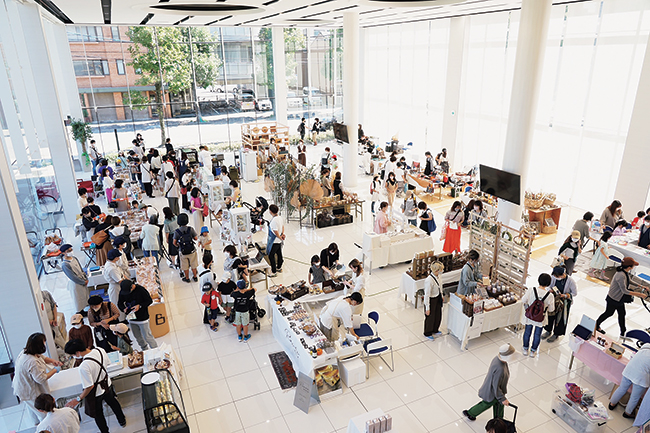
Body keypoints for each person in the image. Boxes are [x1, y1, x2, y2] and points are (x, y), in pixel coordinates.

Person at [64, 339, 126, 433]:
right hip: (107, 384)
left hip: (97, 393)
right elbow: (108, 363)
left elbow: (89, 386)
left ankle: (105, 431)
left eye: (72, 355)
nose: (73, 357)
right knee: (113, 402)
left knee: (98, 414)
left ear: (77, 353)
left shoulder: (84, 366)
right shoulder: (100, 350)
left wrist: (78, 399)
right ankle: (122, 420)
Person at [12, 333, 62, 425]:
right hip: (27, 390)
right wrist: (55, 370)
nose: (45, 343)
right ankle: (45, 427)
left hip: (23, 387)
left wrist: (52, 361)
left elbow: (41, 357)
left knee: (32, 409)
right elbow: (41, 378)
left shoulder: (26, 351)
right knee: (42, 413)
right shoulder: (31, 361)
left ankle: (36, 424)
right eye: (44, 342)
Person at [596, 257, 648, 337]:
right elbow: (625, 291)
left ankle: (623, 332)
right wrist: (640, 294)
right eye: (633, 265)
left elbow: (629, 280)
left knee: (621, 314)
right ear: (629, 267)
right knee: (609, 313)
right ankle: (596, 325)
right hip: (614, 299)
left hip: (618, 299)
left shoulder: (624, 272)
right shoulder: (621, 275)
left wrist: (642, 286)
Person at [463, 344, 514, 421]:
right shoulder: (500, 369)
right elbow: (495, 386)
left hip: (494, 391)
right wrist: (502, 398)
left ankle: (499, 420)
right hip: (493, 393)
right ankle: (471, 413)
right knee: (486, 404)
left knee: (499, 405)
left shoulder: (498, 359)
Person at [608, 342, 650, 418]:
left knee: (622, 388)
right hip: (641, 377)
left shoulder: (646, 346)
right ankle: (627, 413)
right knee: (635, 397)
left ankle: (612, 404)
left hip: (629, 370)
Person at [521, 273, 555, 357]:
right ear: (548, 283)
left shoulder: (531, 290)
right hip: (541, 318)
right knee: (537, 335)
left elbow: (523, 300)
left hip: (530, 316)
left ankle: (525, 349)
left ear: (538, 280)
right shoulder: (550, 295)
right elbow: (551, 309)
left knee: (527, 332)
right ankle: (533, 351)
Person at [118, 280, 158, 350]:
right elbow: (120, 303)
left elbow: (149, 301)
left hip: (143, 318)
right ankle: (144, 349)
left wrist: (140, 306)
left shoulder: (141, 290)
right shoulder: (123, 292)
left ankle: (155, 349)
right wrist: (123, 309)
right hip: (131, 318)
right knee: (137, 337)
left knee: (147, 336)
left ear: (132, 286)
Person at [542, 266, 577, 343]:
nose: (555, 277)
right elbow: (548, 286)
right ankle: (548, 330)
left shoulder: (571, 281)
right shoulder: (553, 277)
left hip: (563, 303)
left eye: (557, 276)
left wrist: (565, 295)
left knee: (560, 318)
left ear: (562, 274)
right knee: (550, 315)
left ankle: (556, 334)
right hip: (553, 300)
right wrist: (550, 290)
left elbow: (574, 293)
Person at [60, 244, 89, 314]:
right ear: (63, 253)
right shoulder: (65, 264)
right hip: (76, 283)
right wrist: (82, 282)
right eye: (68, 251)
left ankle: (85, 308)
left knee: (84, 295)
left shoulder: (74, 258)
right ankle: (80, 312)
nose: (71, 251)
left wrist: (85, 278)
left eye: (71, 250)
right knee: (78, 298)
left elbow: (80, 268)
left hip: (82, 279)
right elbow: (72, 277)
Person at [174, 213, 199, 283]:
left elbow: (174, 242)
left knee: (185, 266)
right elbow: (196, 238)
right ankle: (195, 277)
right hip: (192, 250)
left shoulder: (177, 231)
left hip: (183, 251)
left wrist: (178, 245)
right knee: (193, 264)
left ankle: (187, 278)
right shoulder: (190, 229)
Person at [423, 262, 444, 340]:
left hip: (437, 297)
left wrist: (441, 295)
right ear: (436, 270)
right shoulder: (429, 280)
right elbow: (427, 295)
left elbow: (440, 286)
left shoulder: (439, 276)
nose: (441, 271)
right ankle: (427, 332)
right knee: (430, 317)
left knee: (438, 315)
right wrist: (427, 308)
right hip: (431, 299)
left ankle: (435, 329)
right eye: (441, 270)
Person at [267, 204, 285, 277]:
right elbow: (282, 226)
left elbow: (275, 231)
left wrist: (280, 237)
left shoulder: (274, 221)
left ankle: (274, 271)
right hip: (279, 240)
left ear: (270, 211)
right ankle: (279, 267)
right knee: (279, 253)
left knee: (271, 255)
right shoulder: (279, 217)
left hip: (274, 241)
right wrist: (282, 234)